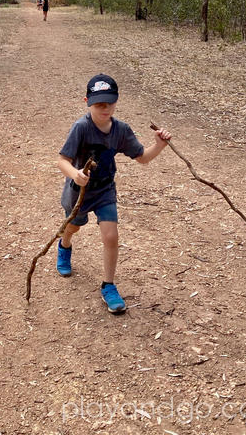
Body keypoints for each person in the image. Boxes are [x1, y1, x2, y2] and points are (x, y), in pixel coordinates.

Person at [56, 73, 171, 314]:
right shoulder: (81, 127)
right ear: (87, 101)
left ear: (116, 101)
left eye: (109, 102)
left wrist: (159, 145)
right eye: (98, 103)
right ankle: (64, 246)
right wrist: (75, 173)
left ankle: (108, 285)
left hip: (105, 190)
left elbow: (142, 157)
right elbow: (62, 160)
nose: (104, 108)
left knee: (111, 236)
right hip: (79, 192)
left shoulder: (120, 130)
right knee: (73, 226)